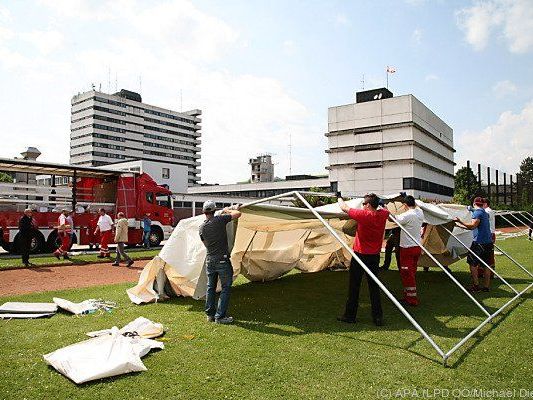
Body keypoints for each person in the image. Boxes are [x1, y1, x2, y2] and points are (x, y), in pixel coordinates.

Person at [337, 193, 389, 326]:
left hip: (360, 255)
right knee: (374, 287)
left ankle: (350, 315)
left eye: (364, 204)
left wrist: (338, 197)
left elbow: (344, 208)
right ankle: (378, 317)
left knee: (354, 286)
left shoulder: (364, 215)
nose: (363, 205)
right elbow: (385, 209)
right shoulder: (383, 215)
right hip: (374, 256)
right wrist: (381, 204)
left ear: (369, 205)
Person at [199, 200, 241, 324]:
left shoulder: (201, 227)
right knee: (226, 287)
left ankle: (210, 315)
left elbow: (204, 243)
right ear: (214, 210)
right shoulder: (219, 220)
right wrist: (229, 209)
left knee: (210, 288)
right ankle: (220, 317)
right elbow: (238, 214)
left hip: (210, 260)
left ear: (203, 212)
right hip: (222, 260)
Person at [454, 197, 493, 292]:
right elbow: (476, 217)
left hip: (479, 243)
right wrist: (470, 209)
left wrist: (459, 222)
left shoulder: (477, 213)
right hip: (488, 242)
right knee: (486, 265)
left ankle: (476, 285)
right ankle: (486, 287)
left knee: (472, 263)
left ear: (474, 203)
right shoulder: (484, 212)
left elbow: (472, 226)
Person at [392, 195, 424, 306]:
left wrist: (384, 209)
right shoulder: (420, 213)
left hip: (407, 248)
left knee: (407, 273)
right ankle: (408, 295)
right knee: (412, 272)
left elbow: (393, 218)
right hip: (417, 247)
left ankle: (411, 299)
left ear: (405, 205)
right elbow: (417, 206)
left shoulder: (407, 215)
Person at [482, 198, 496, 278]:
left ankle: (490, 273)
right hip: (488, 234)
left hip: (489, 234)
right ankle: (483, 272)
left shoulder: (488, 211)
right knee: (483, 253)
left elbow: (483, 216)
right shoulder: (486, 211)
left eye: (482, 204)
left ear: (486, 204)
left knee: (489, 254)